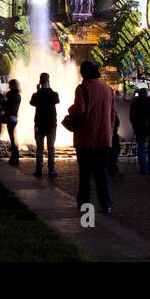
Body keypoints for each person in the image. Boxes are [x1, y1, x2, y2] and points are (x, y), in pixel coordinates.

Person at [69, 61, 115, 212]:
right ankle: (106, 204)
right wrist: (109, 133)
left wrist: (71, 109)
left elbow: (80, 109)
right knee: (102, 171)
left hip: (85, 137)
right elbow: (112, 115)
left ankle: (84, 204)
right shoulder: (108, 89)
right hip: (104, 137)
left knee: (85, 173)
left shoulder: (82, 88)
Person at [30, 73, 59, 178]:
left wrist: (38, 91)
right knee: (51, 149)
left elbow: (33, 102)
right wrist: (48, 87)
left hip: (39, 125)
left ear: (40, 81)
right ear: (48, 81)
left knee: (39, 149)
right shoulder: (54, 94)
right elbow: (56, 100)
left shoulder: (36, 95)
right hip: (51, 125)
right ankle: (51, 170)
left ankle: (38, 170)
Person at [3, 79, 22, 165]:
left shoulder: (12, 95)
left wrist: (1, 104)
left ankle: (15, 155)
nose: (8, 86)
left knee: (12, 138)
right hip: (14, 118)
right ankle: (15, 156)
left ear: (13, 85)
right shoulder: (17, 95)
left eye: (10, 85)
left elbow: (8, 107)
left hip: (11, 117)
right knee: (13, 138)